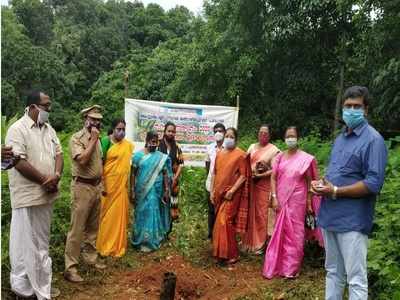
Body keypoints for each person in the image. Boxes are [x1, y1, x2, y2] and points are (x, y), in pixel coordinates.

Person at [311, 86, 388, 300]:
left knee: (356, 279)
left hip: (353, 220)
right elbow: (336, 175)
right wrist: (321, 185)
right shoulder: (340, 139)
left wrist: (335, 191)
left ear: (366, 110)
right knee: (333, 273)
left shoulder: (374, 140)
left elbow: (373, 183)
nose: (351, 110)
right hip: (330, 217)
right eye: (348, 106)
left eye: (357, 106)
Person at [5, 90, 63, 299]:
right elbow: (18, 161)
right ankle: (22, 289)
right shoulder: (17, 130)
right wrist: (43, 180)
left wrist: (55, 175)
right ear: (32, 107)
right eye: (45, 105)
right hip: (26, 196)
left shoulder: (49, 130)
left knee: (41, 244)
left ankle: (41, 286)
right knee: (23, 244)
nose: (49, 109)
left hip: (46, 196)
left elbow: (59, 155)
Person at [262, 126, 319, 279]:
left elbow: (310, 182)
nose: (290, 138)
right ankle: (279, 265)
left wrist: (308, 202)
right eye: (288, 136)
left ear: (297, 138)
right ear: (284, 138)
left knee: (296, 233)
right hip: (281, 199)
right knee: (281, 231)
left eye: (293, 136)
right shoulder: (279, 157)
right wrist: (274, 196)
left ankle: (291, 268)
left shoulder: (305, 159)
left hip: (298, 200)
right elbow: (273, 177)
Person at [64, 105, 106, 283]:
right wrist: (93, 139)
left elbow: (99, 164)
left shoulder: (97, 140)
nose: (96, 122)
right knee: (77, 229)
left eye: (99, 120)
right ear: (85, 120)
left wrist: (102, 184)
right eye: (93, 119)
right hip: (82, 188)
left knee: (92, 228)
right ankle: (70, 268)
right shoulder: (77, 138)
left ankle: (90, 259)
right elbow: (82, 160)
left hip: (96, 188)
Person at [96, 119, 134, 257]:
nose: (122, 132)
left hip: (121, 187)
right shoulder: (105, 142)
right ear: (113, 129)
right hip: (107, 186)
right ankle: (104, 245)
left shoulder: (127, 145)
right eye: (119, 129)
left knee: (118, 216)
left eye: (124, 129)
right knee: (106, 217)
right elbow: (100, 164)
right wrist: (102, 184)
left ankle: (117, 245)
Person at [211, 127, 249, 265]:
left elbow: (244, 175)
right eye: (227, 135)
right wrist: (212, 191)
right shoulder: (219, 153)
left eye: (231, 136)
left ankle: (232, 254)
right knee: (219, 223)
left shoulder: (241, 155)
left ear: (236, 139)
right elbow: (215, 173)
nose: (228, 138)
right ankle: (220, 252)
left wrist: (232, 190)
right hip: (219, 194)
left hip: (232, 194)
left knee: (225, 220)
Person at [241, 124, 280, 254]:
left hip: (263, 186)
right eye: (260, 132)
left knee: (261, 215)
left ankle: (259, 244)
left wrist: (261, 174)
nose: (262, 135)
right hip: (250, 185)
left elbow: (275, 171)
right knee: (249, 213)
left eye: (265, 133)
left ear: (269, 135)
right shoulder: (252, 146)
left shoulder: (274, 150)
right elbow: (245, 162)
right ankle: (247, 242)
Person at [131, 131, 172, 252]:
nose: (154, 145)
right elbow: (132, 174)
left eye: (156, 142)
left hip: (156, 190)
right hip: (141, 190)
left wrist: (166, 190)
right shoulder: (138, 156)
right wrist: (132, 190)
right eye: (152, 142)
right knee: (141, 212)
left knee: (153, 211)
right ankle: (139, 240)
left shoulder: (161, 157)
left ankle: (152, 240)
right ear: (147, 141)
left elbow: (165, 173)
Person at [158, 122, 184, 225]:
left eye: (173, 131)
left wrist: (175, 178)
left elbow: (181, 164)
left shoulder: (177, 146)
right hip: (160, 180)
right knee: (160, 204)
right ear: (164, 131)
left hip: (174, 181)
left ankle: (168, 229)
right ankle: (160, 230)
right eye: (169, 131)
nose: (171, 133)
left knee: (172, 205)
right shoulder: (158, 144)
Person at [205, 123, 226, 239]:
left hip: (224, 184)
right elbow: (207, 166)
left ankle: (220, 234)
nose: (218, 133)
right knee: (211, 210)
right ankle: (211, 233)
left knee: (222, 210)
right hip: (210, 183)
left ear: (224, 132)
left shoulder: (228, 148)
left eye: (221, 131)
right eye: (216, 131)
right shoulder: (209, 148)